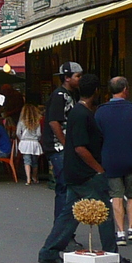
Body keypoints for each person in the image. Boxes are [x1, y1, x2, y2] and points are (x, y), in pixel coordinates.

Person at [37, 74, 132, 263]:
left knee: (69, 214)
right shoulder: (83, 115)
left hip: (75, 171)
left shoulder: (78, 112)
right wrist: (98, 169)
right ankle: (111, 254)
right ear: (96, 91)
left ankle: (49, 251)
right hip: (86, 173)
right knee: (104, 212)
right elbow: (81, 148)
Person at [96, 77, 132, 244]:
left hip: (110, 158)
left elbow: (97, 136)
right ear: (125, 89)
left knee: (116, 195)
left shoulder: (101, 111)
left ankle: (120, 232)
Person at [43, 63, 83, 222]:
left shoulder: (71, 94)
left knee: (67, 187)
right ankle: (61, 229)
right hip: (58, 147)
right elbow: (54, 122)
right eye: (77, 76)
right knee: (65, 187)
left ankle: (63, 229)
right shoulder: (60, 95)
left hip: (64, 147)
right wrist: (66, 144)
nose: (80, 79)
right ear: (67, 78)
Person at [16, 103, 45, 184]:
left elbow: (18, 132)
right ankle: (34, 177)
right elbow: (39, 134)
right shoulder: (37, 122)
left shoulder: (21, 122)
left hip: (25, 142)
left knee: (27, 161)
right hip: (34, 142)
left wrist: (22, 139)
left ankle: (28, 179)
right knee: (35, 161)